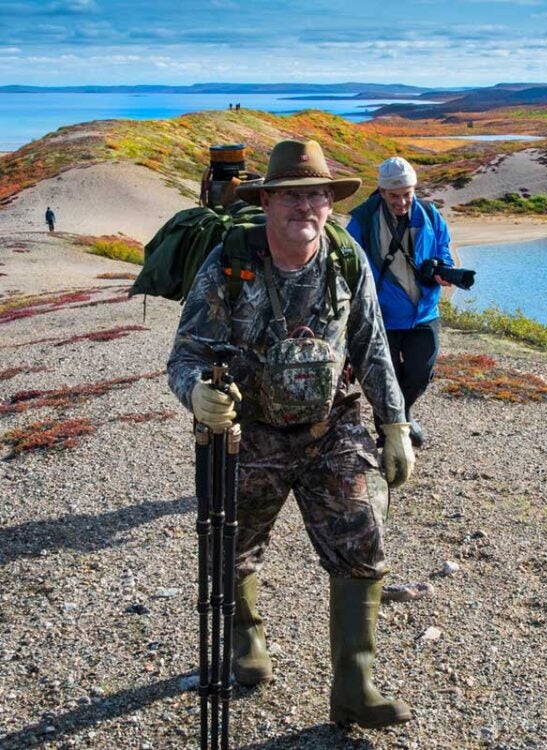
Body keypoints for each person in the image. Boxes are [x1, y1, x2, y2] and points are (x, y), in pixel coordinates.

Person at [167, 139, 415, 729]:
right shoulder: (228, 262)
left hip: (332, 426)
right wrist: (198, 395)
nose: (306, 207)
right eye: (292, 196)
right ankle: (244, 639)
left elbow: (373, 347)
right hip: (247, 431)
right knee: (231, 541)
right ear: (269, 201)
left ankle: (355, 685)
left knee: (363, 535)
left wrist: (395, 423)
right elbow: (186, 355)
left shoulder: (346, 258)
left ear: (330, 203)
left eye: (317, 196)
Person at [347, 157, 453, 448]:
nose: (402, 202)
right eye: (394, 196)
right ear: (381, 192)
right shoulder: (363, 220)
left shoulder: (430, 215)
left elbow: (443, 248)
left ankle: (401, 415)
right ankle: (390, 432)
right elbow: (352, 266)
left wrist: (444, 269)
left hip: (424, 313)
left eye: (407, 194)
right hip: (381, 316)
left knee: (421, 373)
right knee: (386, 376)